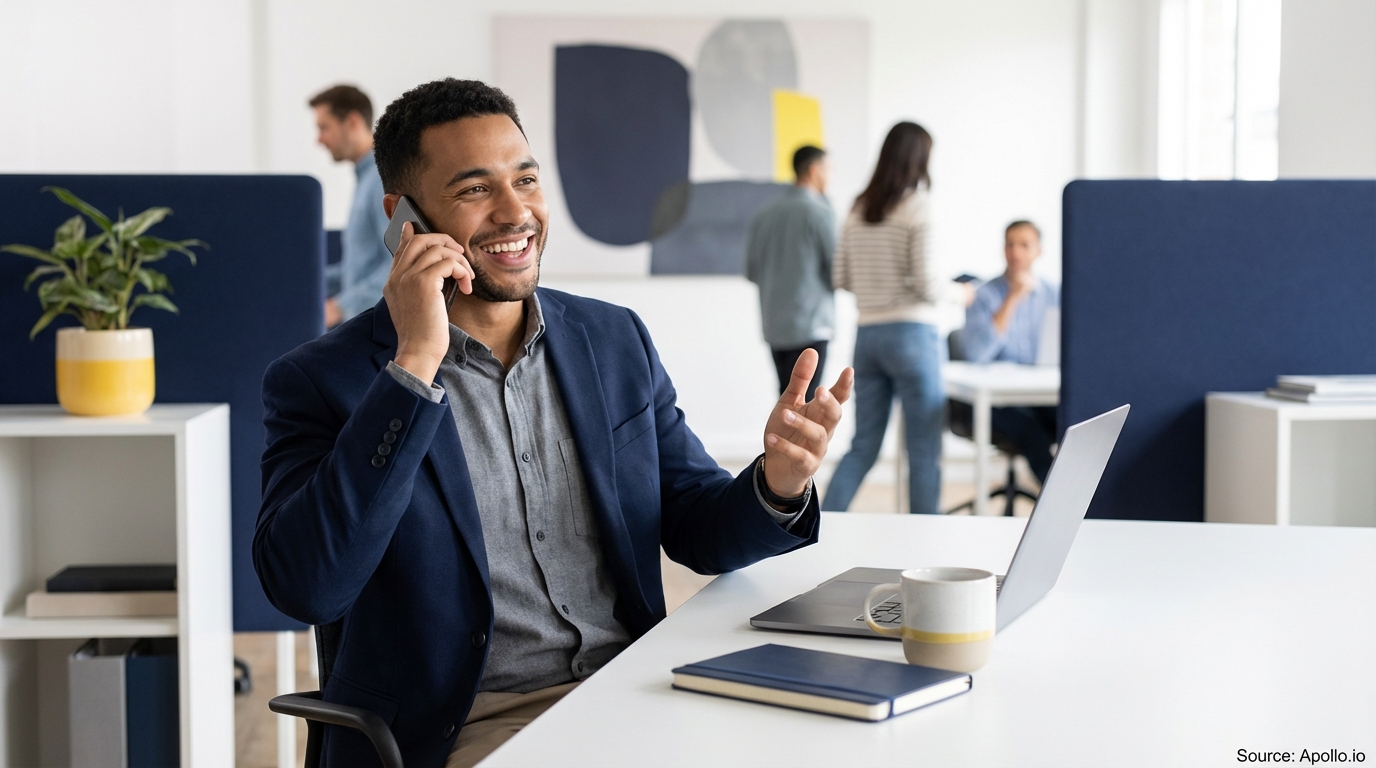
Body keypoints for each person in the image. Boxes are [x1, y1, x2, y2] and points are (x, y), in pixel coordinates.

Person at [255, 79, 854, 768]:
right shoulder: (322, 381)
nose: (517, 212)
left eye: (527, 179)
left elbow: (695, 524)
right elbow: (307, 585)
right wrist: (415, 365)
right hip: (467, 726)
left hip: (637, 695)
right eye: (476, 189)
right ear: (403, 219)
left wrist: (777, 481)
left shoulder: (611, 340)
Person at [822, 122, 966, 516]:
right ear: (920, 158)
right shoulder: (920, 206)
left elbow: (841, 278)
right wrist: (961, 293)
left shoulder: (857, 208)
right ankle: (925, 543)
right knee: (923, 451)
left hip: (867, 336)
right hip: (913, 336)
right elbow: (928, 282)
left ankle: (820, 525)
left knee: (863, 445)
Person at [961, 220, 1061, 482]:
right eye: (1010, 244)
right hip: (997, 400)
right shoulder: (983, 295)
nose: (1015, 252)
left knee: (1072, 418)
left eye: (1024, 245)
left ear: (1038, 250)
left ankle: (1093, 498)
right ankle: (1057, 497)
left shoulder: (1055, 294)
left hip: (1040, 393)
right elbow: (976, 355)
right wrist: (1013, 298)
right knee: (1031, 431)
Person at [745, 145, 836, 400]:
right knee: (804, 406)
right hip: (811, 327)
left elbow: (752, 271)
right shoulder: (820, 212)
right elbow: (837, 273)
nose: (830, 177)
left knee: (786, 401)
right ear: (814, 170)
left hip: (775, 327)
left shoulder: (764, 215)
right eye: (828, 170)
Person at [310, 84, 391, 328]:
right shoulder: (366, 179)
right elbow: (358, 269)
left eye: (325, 128)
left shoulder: (381, 180)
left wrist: (340, 306)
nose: (319, 139)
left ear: (353, 122)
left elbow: (400, 261)